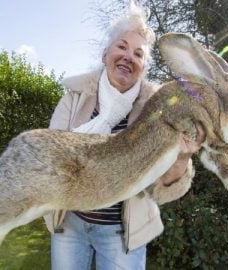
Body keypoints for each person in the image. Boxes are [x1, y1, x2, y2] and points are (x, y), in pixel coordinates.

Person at [44, 2, 205, 269]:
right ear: (105, 53)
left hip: (122, 234)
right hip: (70, 225)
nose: (128, 56)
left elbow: (161, 188)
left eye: (138, 54)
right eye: (122, 47)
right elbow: (51, 158)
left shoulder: (159, 110)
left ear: (143, 67)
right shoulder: (74, 97)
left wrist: (181, 158)